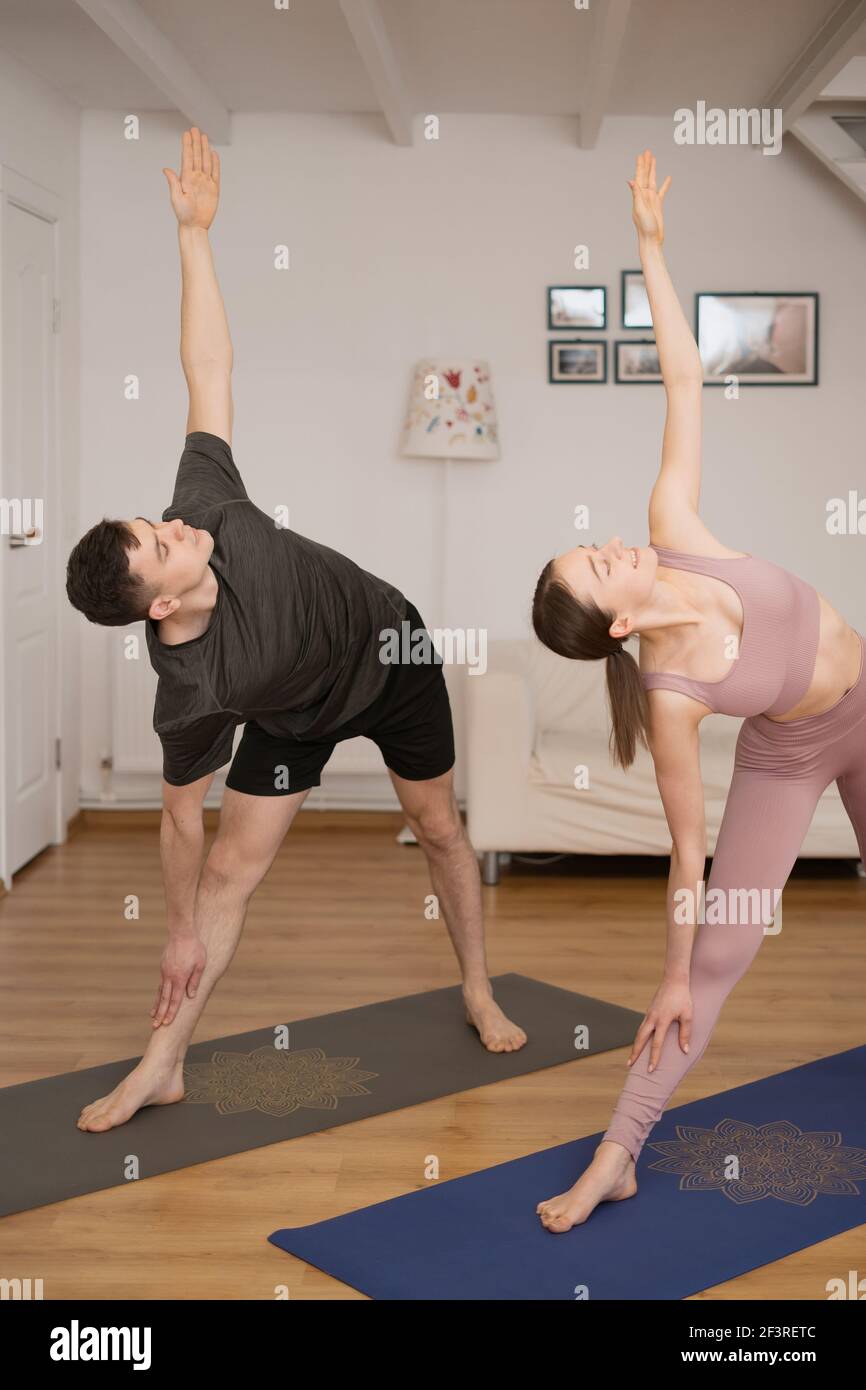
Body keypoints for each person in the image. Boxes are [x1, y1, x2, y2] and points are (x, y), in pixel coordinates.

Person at [66, 128, 525, 1134]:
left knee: (440, 828)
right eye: (162, 541)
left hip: (390, 651)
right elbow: (180, 819)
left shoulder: (211, 503)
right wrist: (178, 927)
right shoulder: (194, 689)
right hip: (294, 712)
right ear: (157, 606)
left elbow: (209, 366)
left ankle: (478, 988)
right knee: (231, 871)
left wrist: (193, 235)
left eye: (160, 519)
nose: (178, 523)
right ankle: (162, 1063)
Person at [531, 150, 864, 1231]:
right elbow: (686, 854)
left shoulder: (675, 529)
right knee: (717, 953)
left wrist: (650, 251)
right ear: (618, 623)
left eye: (588, 542)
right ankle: (616, 1153)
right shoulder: (670, 695)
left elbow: (681, 377)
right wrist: (673, 968)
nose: (611, 541)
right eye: (598, 562)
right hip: (794, 745)